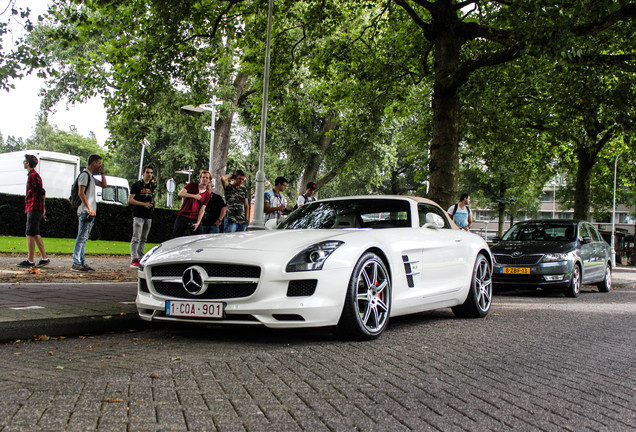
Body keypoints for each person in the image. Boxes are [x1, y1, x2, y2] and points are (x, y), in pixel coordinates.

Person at [72, 154, 107, 272]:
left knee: (84, 238)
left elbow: (104, 185)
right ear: (92, 162)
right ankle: (76, 262)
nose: (99, 165)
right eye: (98, 163)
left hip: (90, 211)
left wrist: (102, 173)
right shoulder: (84, 175)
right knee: (81, 237)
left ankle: (82, 261)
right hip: (84, 211)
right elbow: (81, 193)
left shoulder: (91, 176)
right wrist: (89, 208)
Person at [17, 154, 50, 268]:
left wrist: (43, 208)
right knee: (34, 233)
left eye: (25, 161)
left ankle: (32, 260)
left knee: (30, 233)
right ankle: (43, 258)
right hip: (34, 207)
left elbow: (41, 192)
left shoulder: (33, 176)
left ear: (28, 163)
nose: (24, 162)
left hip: (34, 207)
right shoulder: (32, 175)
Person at [128, 165, 155, 268]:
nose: (149, 175)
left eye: (151, 173)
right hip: (138, 214)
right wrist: (143, 204)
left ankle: (140, 257)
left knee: (144, 238)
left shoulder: (151, 186)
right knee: (136, 238)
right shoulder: (137, 185)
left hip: (148, 215)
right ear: (143, 173)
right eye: (147, 172)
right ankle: (133, 258)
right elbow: (130, 200)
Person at [172, 170, 212, 238]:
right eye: (203, 177)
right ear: (200, 179)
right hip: (183, 215)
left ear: (209, 181)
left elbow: (202, 210)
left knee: (199, 237)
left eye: (207, 178)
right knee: (176, 237)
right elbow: (180, 193)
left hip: (194, 218)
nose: (204, 179)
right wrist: (194, 196)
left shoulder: (207, 195)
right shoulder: (192, 185)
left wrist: (198, 222)